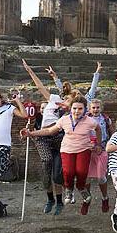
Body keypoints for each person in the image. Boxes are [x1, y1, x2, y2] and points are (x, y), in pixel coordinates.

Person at [21, 96, 102, 215]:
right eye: (74, 108)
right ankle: (69, 189)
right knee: (68, 172)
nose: (77, 111)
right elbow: (49, 131)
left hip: (83, 149)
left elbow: (98, 130)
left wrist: (98, 144)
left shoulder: (90, 121)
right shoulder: (64, 120)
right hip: (67, 149)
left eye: (80, 109)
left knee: (82, 172)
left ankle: (81, 188)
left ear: (85, 110)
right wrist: (31, 133)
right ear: (70, 108)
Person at [22, 59, 80, 214]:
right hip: (43, 136)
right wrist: (30, 71)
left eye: (69, 100)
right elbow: (40, 87)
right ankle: (50, 199)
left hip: (58, 137)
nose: (65, 101)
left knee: (57, 172)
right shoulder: (53, 99)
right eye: (65, 98)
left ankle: (60, 201)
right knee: (46, 164)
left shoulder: (70, 113)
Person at [85, 99, 113, 214]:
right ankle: (87, 198)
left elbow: (112, 133)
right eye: (93, 107)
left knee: (101, 176)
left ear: (101, 108)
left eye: (97, 107)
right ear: (90, 109)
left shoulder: (106, 119)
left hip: (102, 148)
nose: (95, 109)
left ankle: (105, 197)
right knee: (86, 176)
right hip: (88, 149)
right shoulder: (85, 119)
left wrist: (110, 146)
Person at [0, 90, 27, 180]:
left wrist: (17, 101)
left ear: (1, 98)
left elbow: (24, 115)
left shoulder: (9, 108)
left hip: (3, 145)